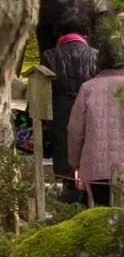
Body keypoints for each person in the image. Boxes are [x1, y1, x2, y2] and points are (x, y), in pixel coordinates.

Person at [70, 40, 124, 206]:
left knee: (103, 213)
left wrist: (75, 163)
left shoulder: (88, 88)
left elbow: (75, 131)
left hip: (96, 166)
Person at [50, 30, 102, 200]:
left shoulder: (50, 55)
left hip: (60, 109)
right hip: (89, 106)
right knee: (89, 144)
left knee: (64, 147)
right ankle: (88, 192)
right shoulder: (94, 55)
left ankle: (69, 190)